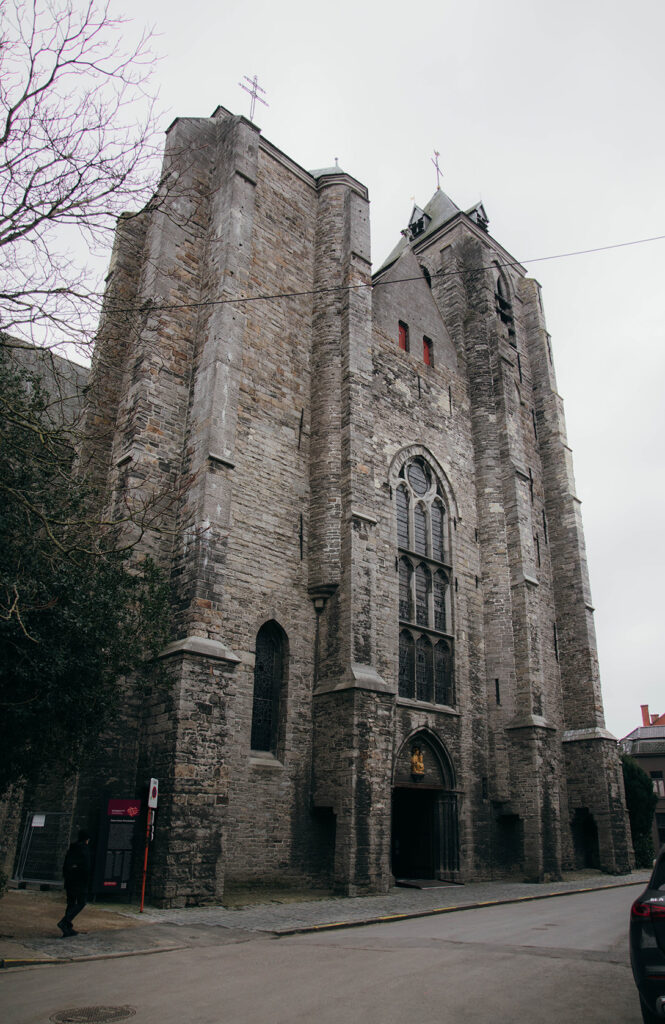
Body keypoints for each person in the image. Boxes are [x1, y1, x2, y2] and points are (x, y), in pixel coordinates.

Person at [57, 829, 91, 937]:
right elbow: (85, 867)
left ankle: (67, 927)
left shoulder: (72, 848)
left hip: (70, 880)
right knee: (81, 902)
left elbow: (66, 864)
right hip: (79, 881)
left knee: (71, 902)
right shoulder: (84, 850)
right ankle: (65, 922)